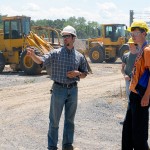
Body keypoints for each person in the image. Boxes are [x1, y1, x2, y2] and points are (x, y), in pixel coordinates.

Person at [26, 25, 88, 150]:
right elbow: (42, 60)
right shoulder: (56, 53)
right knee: (54, 121)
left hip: (73, 90)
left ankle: (67, 144)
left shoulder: (79, 56)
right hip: (58, 89)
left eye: (67, 36)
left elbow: (85, 73)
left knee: (70, 120)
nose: (65, 38)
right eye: (63, 36)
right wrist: (33, 56)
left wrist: (77, 74)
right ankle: (52, 146)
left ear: (73, 38)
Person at [122, 20, 150, 150]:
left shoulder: (147, 50)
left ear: (144, 33)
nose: (133, 35)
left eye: (136, 33)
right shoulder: (139, 50)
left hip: (141, 97)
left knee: (139, 136)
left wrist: (146, 96)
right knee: (128, 132)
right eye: (132, 33)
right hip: (134, 95)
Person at [120, 38, 139, 125]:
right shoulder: (126, 55)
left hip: (137, 82)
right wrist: (125, 75)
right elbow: (122, 68)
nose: (129, 46)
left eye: (131, 44)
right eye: (129, 44)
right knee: (129, 100)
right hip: (128, 81)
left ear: (135, 44)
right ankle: (128, 120)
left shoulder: (140, 55)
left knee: (137, 99)